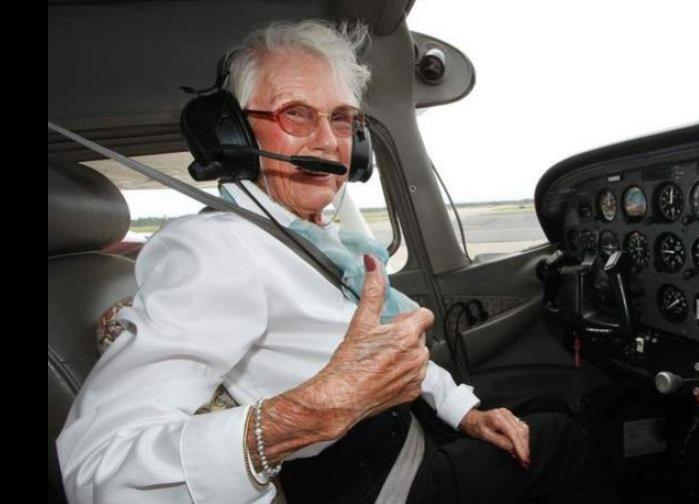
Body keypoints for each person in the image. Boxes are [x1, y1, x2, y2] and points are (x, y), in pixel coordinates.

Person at [57, 20, 598, 503]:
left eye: (341, 119)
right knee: (563, 439)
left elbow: (385, 356)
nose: (327, 141)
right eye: (295, 114)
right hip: (380, 483)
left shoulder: (313, 238)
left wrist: (465, 413)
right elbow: (100, 471)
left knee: (548, 404)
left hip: (401, 430)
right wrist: (309, 413)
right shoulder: (217, 250)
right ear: (233, 132)